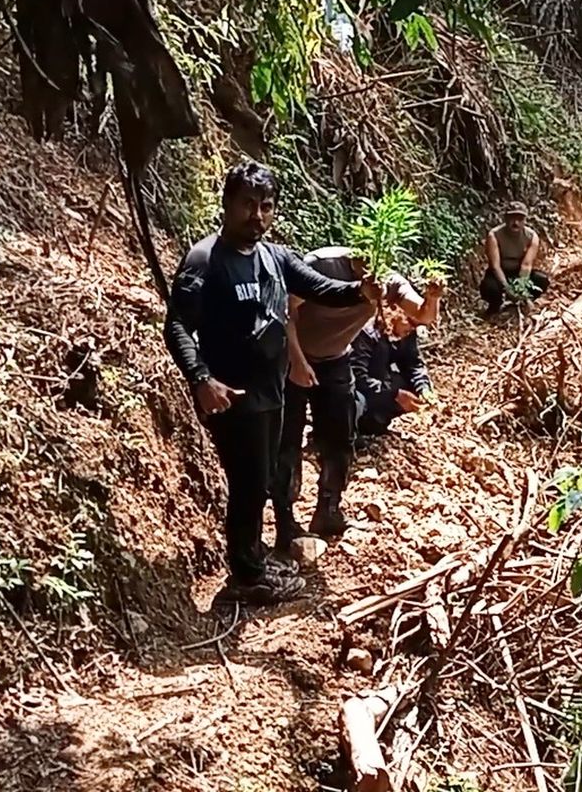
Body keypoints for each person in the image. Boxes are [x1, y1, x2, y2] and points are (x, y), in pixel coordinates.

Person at [163, 161, 383, 605]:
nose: (256, 215)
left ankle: (253, 558)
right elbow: (177, 326)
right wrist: (202, 379)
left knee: (260, 480)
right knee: (247, 483)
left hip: (272, 391)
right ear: (226, 205)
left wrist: (362, 292)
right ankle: (247, 577)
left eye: (265, 206)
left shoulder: (276, 258)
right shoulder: (206, 260)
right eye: (247, 205)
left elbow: (324, 289)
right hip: (232, 395)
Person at [273, 249, 441, 543]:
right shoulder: (321, 265)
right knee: (287, 439)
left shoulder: (388, 280)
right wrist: (297, 362)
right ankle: (285, 520)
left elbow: (423, 315)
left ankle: (329, 509)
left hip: (335, 358)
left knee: (341, 435)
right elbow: (285, 311)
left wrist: (434, 295)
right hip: (293, 356)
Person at [351, 305, 437, 437]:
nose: (412, 328)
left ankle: (375, 423)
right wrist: (393, 395)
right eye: (410, 322)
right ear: (396, 315)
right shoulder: (367, 332)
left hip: (381, 384)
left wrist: (423, 388)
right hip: (358, 389)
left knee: (411, 388)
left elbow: (413, 363)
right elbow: (357, 376)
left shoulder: (406, 333)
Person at [480, 201, 550, 315]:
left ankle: (524, 302)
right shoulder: (494, 235)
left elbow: (526, 265)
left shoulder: (531, 236)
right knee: (489, 287)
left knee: (541, 280)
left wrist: (521, 288)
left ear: (525, 220)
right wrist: (508, 289)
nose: (515, 223)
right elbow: (495, 266)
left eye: (520, 219)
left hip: (519, 272)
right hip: (500, 272)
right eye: (512, 218)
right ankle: (495, 306)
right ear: (506, 219)